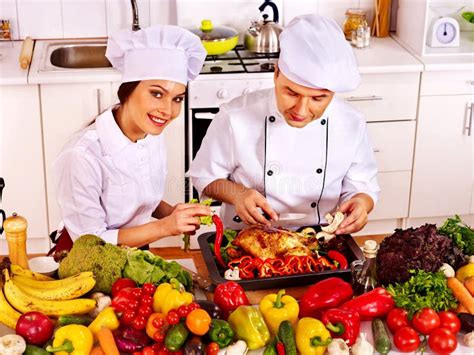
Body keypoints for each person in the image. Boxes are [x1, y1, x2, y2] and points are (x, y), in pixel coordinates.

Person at [188, 14, 380, 235]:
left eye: (318, 99)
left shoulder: (351, 122)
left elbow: (363, 186)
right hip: (246, 239)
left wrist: (361, 203)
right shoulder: (235, 116)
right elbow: (204, 177)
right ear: (276, 72)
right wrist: (237, 194)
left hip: (319, 242)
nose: (301, 110)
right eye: (291, 92)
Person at [53, 25, 211, 247]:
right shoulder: (81, 156)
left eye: (177, 99)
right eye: (157, 94)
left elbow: (141, 198)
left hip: (133, 252)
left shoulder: (151, 134)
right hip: (83, 261)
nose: (168, 110)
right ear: (128, 90)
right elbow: (90, 242)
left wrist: (172, 213)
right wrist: (165, 227)